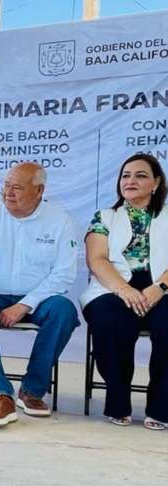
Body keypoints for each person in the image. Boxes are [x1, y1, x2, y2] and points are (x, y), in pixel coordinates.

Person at [0, 162, 79, 428]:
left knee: (64, 311)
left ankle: (32, 390)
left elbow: (64, 274)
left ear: (39, 191)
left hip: (39, 298)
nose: (8, 193)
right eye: (6, 185)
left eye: (17, 188)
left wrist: (25, 304)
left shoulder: (60, 221)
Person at [81, 153, 168, 430]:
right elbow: (97, 259)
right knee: (111, 318)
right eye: (125, 175)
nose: (130, 181)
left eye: (140, 175)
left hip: (162, 287)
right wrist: (124, 290)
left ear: (156, 183)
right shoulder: (105, 217)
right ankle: (118, 402)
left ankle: (161, 406)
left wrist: (160, 287)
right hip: (113, 287)